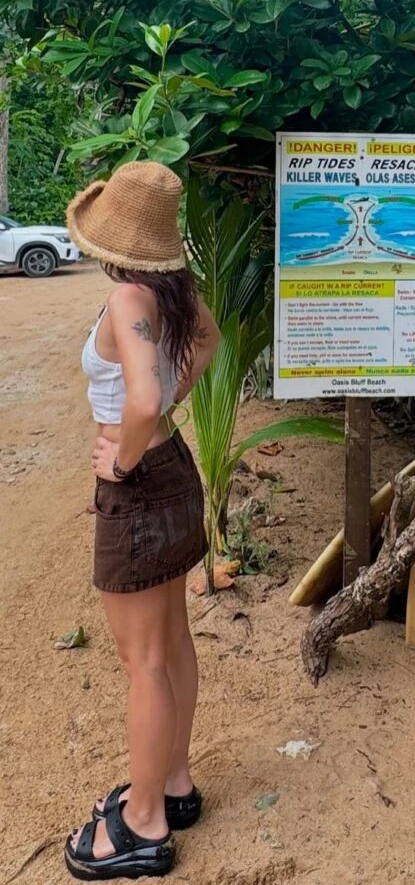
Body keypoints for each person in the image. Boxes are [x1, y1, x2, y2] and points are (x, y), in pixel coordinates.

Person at [62, 161, 220, 880]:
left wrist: (122, 461)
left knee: (144, 661)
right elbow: (207, 345)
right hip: (174, 477)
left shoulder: (129, 294)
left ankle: (143, 821)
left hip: (141, 490)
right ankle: (174, 782)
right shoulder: (171, 290)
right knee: (171, 639)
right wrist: (157, 418)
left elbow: (146, 397)